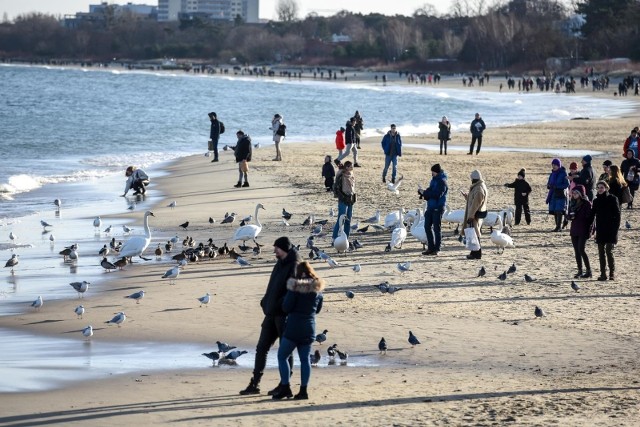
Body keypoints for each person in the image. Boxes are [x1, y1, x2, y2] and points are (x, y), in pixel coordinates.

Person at [240, 237, 300, 396]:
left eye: (277, 249)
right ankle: (255, 383)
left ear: (285, 249)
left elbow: (293, 292)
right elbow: (272, 287)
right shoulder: (279, 264)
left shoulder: (294, 266)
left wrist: (282, 306)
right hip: (271, 314)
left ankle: (284, 384)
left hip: (284, 316)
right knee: (261, 348)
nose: (274, 251)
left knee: (285, 352)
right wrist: (265, 302)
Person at [273, 261, 325, 400]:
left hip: (293, 328)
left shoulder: (295, 288)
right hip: (309, 328)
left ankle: (285, 387)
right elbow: (318, 310)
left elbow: (286, 307)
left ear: (300, 273)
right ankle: (303, 391)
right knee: (305, 360)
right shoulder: (318, 290)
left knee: (282, 356)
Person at [589, 181, 621, 281]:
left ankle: (612, 273)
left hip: (611, 229)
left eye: (602, 187)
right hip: (600, 229)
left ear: (606, 188)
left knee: (609, 251)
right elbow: (591, 215)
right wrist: (588, 227)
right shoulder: (596, 201)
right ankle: (603, 274)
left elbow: (618, 215)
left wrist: (615, 230)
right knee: (601, 252)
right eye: (598, 187)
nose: (600, 189)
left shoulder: (612, 199)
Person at [420, 163, 448, 255]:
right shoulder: (433, 180)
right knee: (427, 226)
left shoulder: (442, 182)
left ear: (436, 172)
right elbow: (430, 191)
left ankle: (437, 249)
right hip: (430, 207)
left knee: (436, 228)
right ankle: (430, 248)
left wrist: (426, 193)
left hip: (438, 207)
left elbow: (437, 195)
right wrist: (423, 193)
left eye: (433, 172)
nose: (431, 173)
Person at [462, 170, 488, 259]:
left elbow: (476, 204)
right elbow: (474, 201)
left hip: (475, 215)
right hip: (475, 214)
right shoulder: (479, 186)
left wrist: (471, 215)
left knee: (475, 234)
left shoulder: (478, 188)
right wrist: (467, 197)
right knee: (474, 234)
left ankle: (476, 253)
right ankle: (474, 253)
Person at [568, 185, 593, 279]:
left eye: (576, 193)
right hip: (574, 229)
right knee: (576, 251)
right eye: (573, 193)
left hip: (583, 229)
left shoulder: (587, 203)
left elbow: (589, 217)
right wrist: (570, 216)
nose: (574, 195)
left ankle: (589, 270)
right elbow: (568, 215)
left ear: (581, 194)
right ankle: (580, 270)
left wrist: (579, 216)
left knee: (581, 249)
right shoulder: (572, 202)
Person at [332, 161, 356, 241]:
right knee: (340, 219)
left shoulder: (352, 175)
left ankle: (345, 238)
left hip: (350, 199)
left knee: (348, 220)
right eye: (350, 166)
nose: (352, 168)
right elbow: (337, 185)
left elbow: (352, 188)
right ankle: (334, 238)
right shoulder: (341, 174)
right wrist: (340, 167)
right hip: (343, 199)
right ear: (346, 167)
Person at [545, 158, 569, 232]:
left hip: (560, 194)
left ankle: (559, 227)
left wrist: (557, 187)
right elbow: (549, 182)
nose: (554, 166)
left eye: (555, 165)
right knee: (555, 210)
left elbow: (567, 184)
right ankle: (557, 226)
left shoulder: (563, 173)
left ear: (559, 165)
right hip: (553, 194)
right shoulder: (552, 173)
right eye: (553, 165)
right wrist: (549, 185)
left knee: (559, 210)